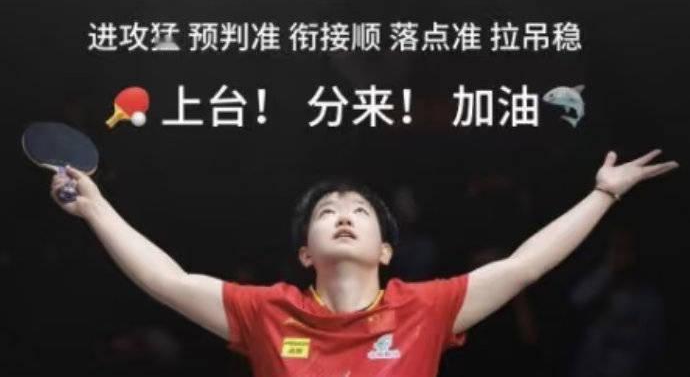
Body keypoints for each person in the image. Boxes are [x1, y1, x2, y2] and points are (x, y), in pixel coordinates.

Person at [49, 149, 678, 377]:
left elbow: (523, 266)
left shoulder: (426, 308)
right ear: (305, 253)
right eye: (327, 211)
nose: (343, 214)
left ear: (385, 250)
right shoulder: (267, 311)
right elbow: (167, 280)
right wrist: (96, 209)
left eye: (359, 211)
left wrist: (603, 194)